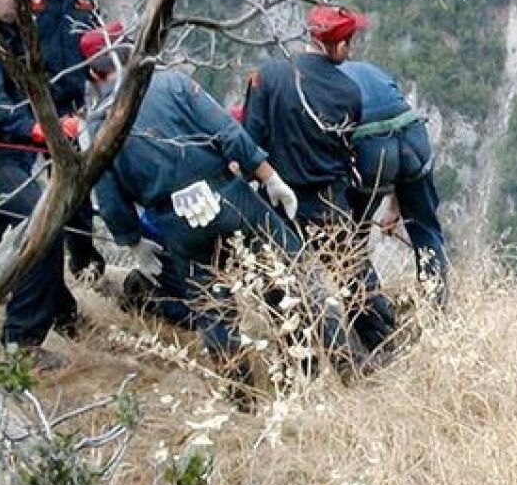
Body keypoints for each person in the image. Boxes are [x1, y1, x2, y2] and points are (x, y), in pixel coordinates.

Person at [81, 27, 364, 382]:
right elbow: (228, 133)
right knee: (294, 274)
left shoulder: (96, 124)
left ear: (94, 74)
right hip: (228, 196)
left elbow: (108, 196)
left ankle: (243, 394)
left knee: (213, 311)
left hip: (176, 221)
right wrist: (268, 176)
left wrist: (133, 240)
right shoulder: (172, 83)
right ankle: (345, 364)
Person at [242, 5, 397, 354]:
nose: (351, 48)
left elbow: (250, 143)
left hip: (278, 201)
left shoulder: (267, 76)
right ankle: (384, 348)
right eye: (349, 41)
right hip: (329, 202)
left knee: (280, 286)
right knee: (353, 276)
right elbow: (347, 151)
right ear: (338, 46)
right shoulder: (348, 92)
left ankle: (302, 361)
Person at [0, 0, 82, 370]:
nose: (22, 4)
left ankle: (58, 312)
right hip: (0, 158)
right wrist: (38, 128)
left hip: (9, 154)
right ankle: (22, 344)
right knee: (41, 228)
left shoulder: (10, 34)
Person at [340, 60, 448, 306]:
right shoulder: (372, 70)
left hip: (371, 150)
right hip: (413, 137)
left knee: (350, 241)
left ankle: (377, 318)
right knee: (426, 233)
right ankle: (436, 312)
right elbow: (397, 134)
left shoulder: (327, 81)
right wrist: (394, 208)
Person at [34, 0, 105, 278]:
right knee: (22, 194)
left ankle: (84, 265)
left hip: (72, 108)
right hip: (26, 108)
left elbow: (95, 44)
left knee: (77, 189)